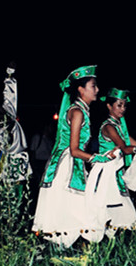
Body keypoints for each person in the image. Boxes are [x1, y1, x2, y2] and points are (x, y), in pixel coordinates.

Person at [32, 65, 112, 247]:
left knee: (75, 208)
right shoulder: (77, 112)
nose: (97, 90)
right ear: (81, 89)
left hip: (73, 163)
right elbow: (74, 149)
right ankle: (67, 248)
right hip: (67, 167)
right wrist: (98, 158)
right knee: (75, 207)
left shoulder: (81, 111)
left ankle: (73, 248)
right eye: (93, 86)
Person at [91, 88, 136, 235]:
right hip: (107, 172)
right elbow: (125, 149)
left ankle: (110, 238)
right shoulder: (109, 127)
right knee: (115, 208)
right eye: (119, 105)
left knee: (116, 208)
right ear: (109, 106)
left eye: (124, 105)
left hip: (115, 172)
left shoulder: (119, 127)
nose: (123, 109)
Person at [0, 64, 32, 197]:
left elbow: (10, 97)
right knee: (9, 198)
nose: (3, 112)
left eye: (3, 109)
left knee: (22, 197)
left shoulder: (11, 118)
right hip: (9, 168)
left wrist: (10, 74)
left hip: (21, 164)